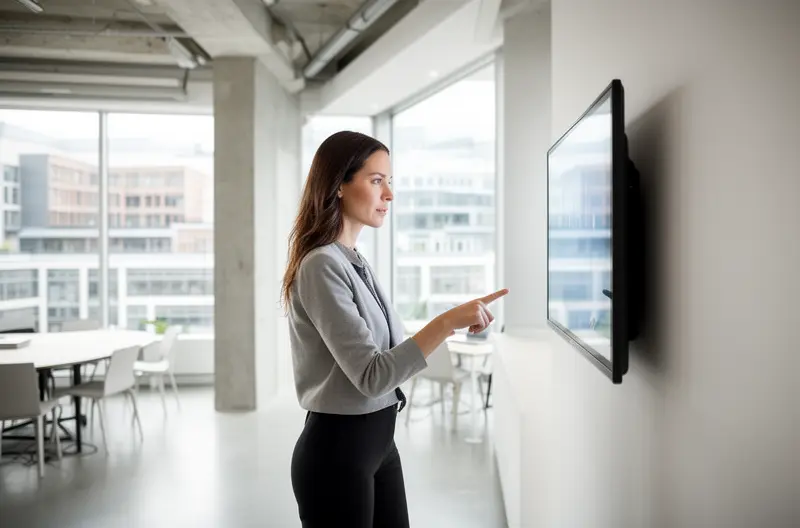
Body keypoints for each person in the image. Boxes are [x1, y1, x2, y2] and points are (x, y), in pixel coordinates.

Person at [282, 130, 508, 528]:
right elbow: (373, 376)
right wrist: (447, 321)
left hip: (379, 443)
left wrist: (453, 322)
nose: (389, 194)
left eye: (390, 181)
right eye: (376, 181)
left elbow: (391, 354)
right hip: (338, 453)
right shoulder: (321, 265)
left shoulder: (353, 260)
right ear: (338, 185)